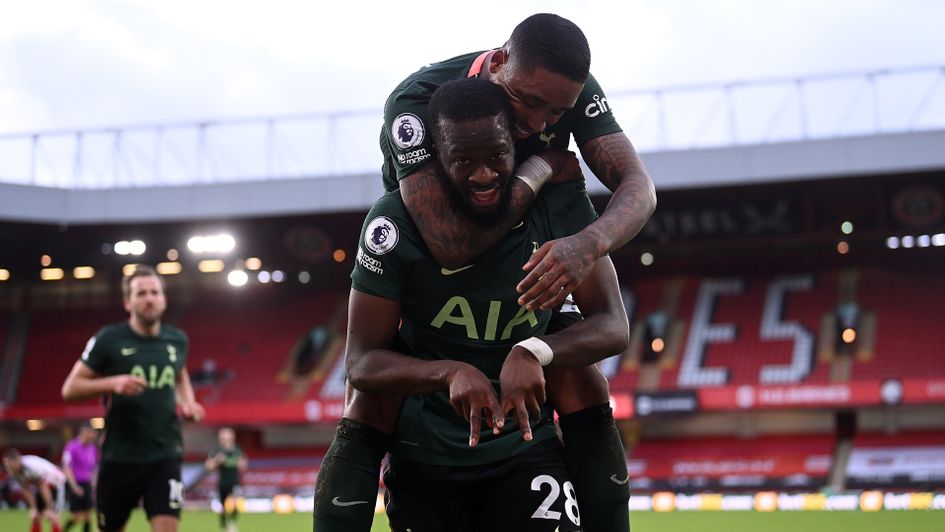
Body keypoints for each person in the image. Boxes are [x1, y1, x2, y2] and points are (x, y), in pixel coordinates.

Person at [314, 14, 644, 531]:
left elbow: (638, 188)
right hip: (426, 274)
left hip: (522, 256)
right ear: (497, 64)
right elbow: (448, 242)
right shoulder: (416, 103)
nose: (539, 124)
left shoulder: (561, 93)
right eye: (530, 103)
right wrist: (536, 171)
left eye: (556, 111)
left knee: (581, 375)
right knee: (371, 393)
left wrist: (587, 244)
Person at [61, 265, 205, 532]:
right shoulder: (109, 339)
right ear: (128, 302)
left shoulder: (177, 340)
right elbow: (70, 389)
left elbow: (180, 374)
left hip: (165, 454)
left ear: (164, 298)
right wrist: (114, 383)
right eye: (141, 293)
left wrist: (188, 402)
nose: (149, 298)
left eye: (154, 292)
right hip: (120, 457)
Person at [3, 448, 67, 532]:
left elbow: (43, 485)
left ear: (16, 460)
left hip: (56, 484)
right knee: (35, 517)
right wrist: (34, 508)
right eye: (6, 465)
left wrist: (48, 508)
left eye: (9, 464)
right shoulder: (14, 471)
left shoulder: (30, 467)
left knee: (53, 516)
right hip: (41, 487)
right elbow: (26, 489)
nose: (8, 467)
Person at [204, 428, 247, 532]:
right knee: (223, 508)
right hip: (223, 482)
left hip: (235, 481)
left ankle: (232, 522)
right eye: (223, 438)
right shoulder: (216, 450)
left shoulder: (237, 449)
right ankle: (223, 526)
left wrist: (239, 462)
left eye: (228, 437)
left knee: (236, 503)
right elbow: (208, 466)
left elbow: (244, 464)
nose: (226, 440)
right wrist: (217, 461)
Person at [61, 423, 99, 532]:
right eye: (91, 435)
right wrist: (74, 486)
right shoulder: (71, 446)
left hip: (87, 484)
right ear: (84, 433)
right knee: (76, 517)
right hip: (75, 483)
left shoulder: (92, 448)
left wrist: (94, 484)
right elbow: (66, 467)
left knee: (88, 516)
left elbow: (93, 468)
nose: (92, 437)